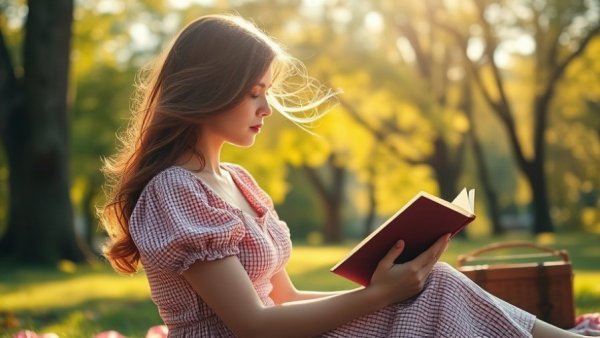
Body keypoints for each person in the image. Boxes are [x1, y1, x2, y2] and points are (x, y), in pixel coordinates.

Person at [99, 14, 590, 338]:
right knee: (431, 292)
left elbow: (284, 297)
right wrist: (380, 296)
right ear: (210, 88)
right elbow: (252, 324)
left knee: (433, 283)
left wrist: (387, 291)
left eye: (265, 92)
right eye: (253, 93)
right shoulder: (174, 191)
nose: (266, 109)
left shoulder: (237, 180)